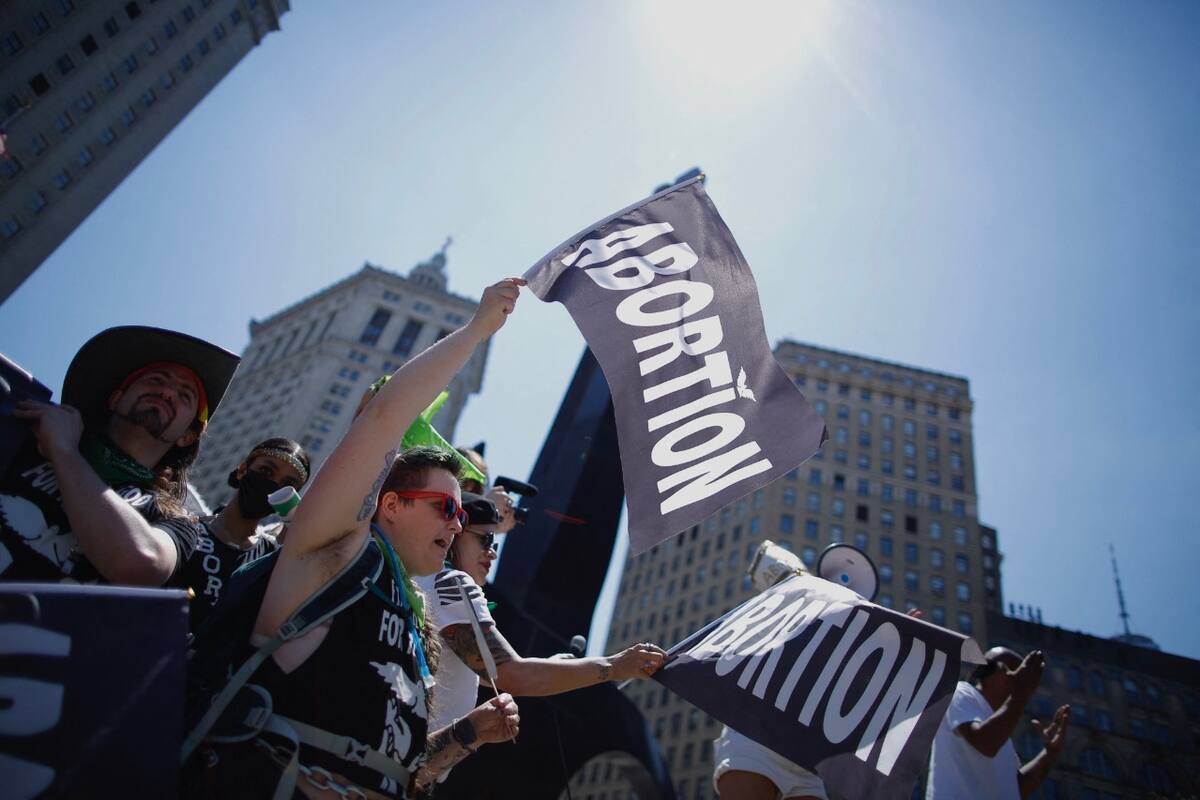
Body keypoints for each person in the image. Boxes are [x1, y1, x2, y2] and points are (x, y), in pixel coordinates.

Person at [203, 278, 527, 799]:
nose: (457, 525)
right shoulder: (334, 554)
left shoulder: (416, 619)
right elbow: (384, 418)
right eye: (446, 507)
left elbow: (400, 769)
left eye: (463, 515)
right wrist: (476, 329)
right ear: (391, 505)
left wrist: (468, 734)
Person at [413, 488, 667, 784]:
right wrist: (616, 666)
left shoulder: (423, 583)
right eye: (485, 539)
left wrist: (475, 732)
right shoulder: (451, 584)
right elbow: (514, 675)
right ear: (454, 533)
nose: (493, 552)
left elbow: (416, 767)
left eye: (495, 542)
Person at [1, 326, 238, 585]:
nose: (167, 392)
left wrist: (64, 452)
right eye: (155, 380)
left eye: (184, 396)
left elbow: (143, 563)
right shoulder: (36, 430)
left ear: (187, 436)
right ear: (116, 398)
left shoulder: (177, 521)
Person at [712, 609, 926, 800]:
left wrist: (893, 646)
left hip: (805, 759)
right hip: (757, 740)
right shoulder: (784, 621)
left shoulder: (850, 640)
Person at [174, 437, 310, 631]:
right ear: (242, 470)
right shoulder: (185, 528)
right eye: (266, 471)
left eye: (287, 485)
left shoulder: (269, 559)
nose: (272, 484)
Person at [926, 647, 1070, 799]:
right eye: (1013, 670)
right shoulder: (961, 691)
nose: (1017, 678)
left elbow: (1016, 788)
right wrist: (1021, 693)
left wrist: (1050, 754)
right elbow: (984, 743)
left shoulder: (1001, 732)